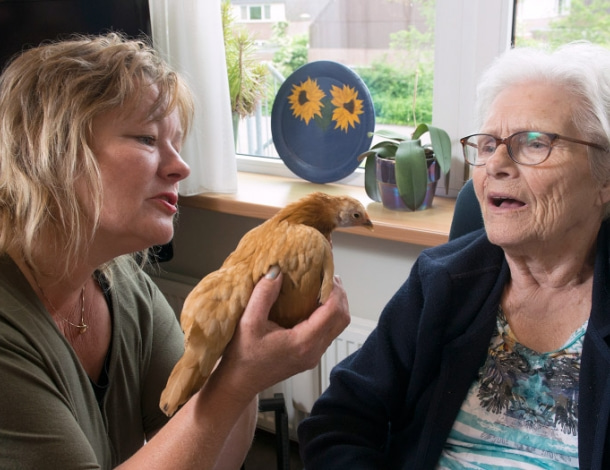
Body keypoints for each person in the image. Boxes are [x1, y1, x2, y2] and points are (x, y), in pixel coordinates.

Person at [0, 33, 350, 469]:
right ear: (51, 152)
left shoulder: (125, 289)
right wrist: (237, 379)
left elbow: (215, 457)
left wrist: (246, 347)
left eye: (176, 142)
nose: (180, 166)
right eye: (147, 139)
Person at [298, 41, 610, 469]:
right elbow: (338, 422)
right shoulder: (441, 282)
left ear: (604, 178)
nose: (496, 163)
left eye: (534, 143)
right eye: (486, 145)